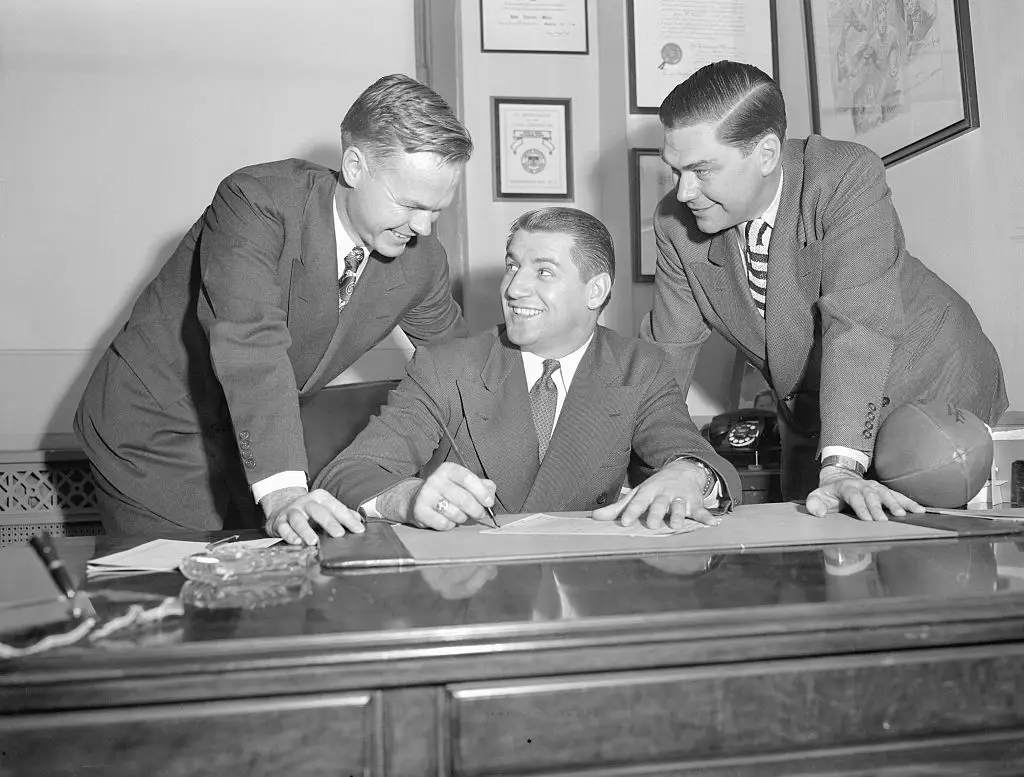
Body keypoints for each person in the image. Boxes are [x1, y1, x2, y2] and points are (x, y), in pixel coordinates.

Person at [74, 74, 473, 537]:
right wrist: (284, 493)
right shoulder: (256, 202)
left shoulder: (422, 262)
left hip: (260, 439)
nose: (424, 228)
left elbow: (458, 367)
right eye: (410, 204)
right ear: (355, 166)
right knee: (180, 595)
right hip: (155, 430)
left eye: (438, 209)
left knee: (273, 591)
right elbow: (251, 340)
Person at [642, 60, 1007, 522]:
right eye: (675, 170)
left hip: (924, 375)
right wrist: (653, 465)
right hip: (811, 402)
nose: (684, 191)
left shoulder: (841, 176)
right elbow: (665, 357)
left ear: (767, 153)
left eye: (701, 170)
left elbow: (858, 326)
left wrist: (840, 467)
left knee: (921, 555)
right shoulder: (674, 224)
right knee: (811, 548)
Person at [302, 207, 741, 545]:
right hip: (466, 595)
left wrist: (691, 474)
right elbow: (346, 473)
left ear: (596, 291)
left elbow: (693, 455)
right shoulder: (447, 366)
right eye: (512, 265)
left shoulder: (639, 367)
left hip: (583, 596)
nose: (513, 288)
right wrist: (409, 499)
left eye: (543, 271)